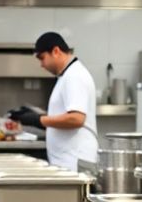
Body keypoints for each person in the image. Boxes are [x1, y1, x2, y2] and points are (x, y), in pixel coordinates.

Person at [9, 32, 98, 171]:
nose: (41, 65)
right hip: (68, 161)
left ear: (56, 51)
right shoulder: (66, 76)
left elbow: (76, 119)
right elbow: (65, 116)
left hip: (74, 162)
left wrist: (38, 120)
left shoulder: (74, 76)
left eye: (42, 58)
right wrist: (35, 117)